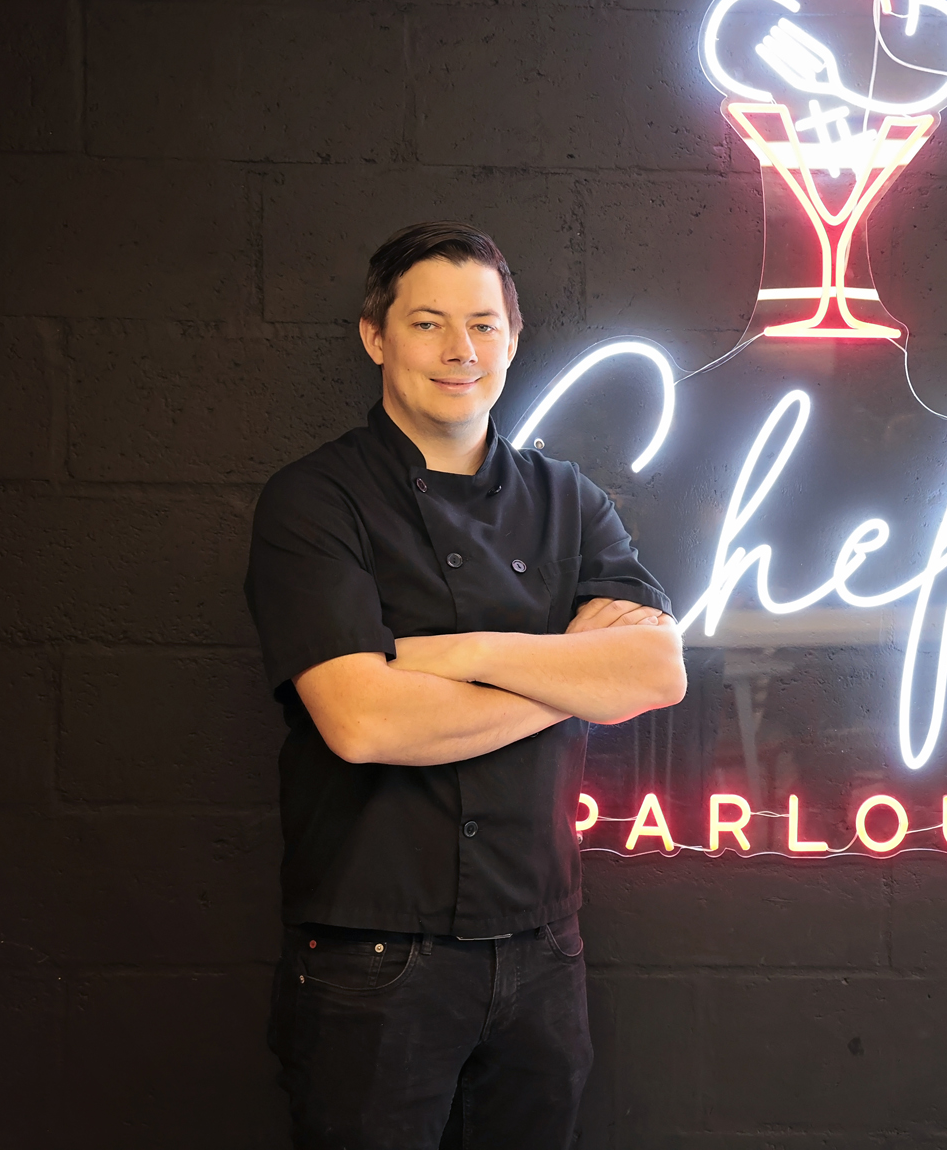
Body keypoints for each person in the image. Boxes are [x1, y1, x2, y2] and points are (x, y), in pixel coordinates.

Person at [245, 221, 685, 1148]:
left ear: (513, 340)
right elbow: (363, 722)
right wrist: (572, 674)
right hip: (371, 956)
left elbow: (656, 669)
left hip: (543, 946)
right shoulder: (315, 501)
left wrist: (451, 653)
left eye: (484, 325)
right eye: (428, 323)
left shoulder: (570, 499)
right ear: (375, 337)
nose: (461, 351)